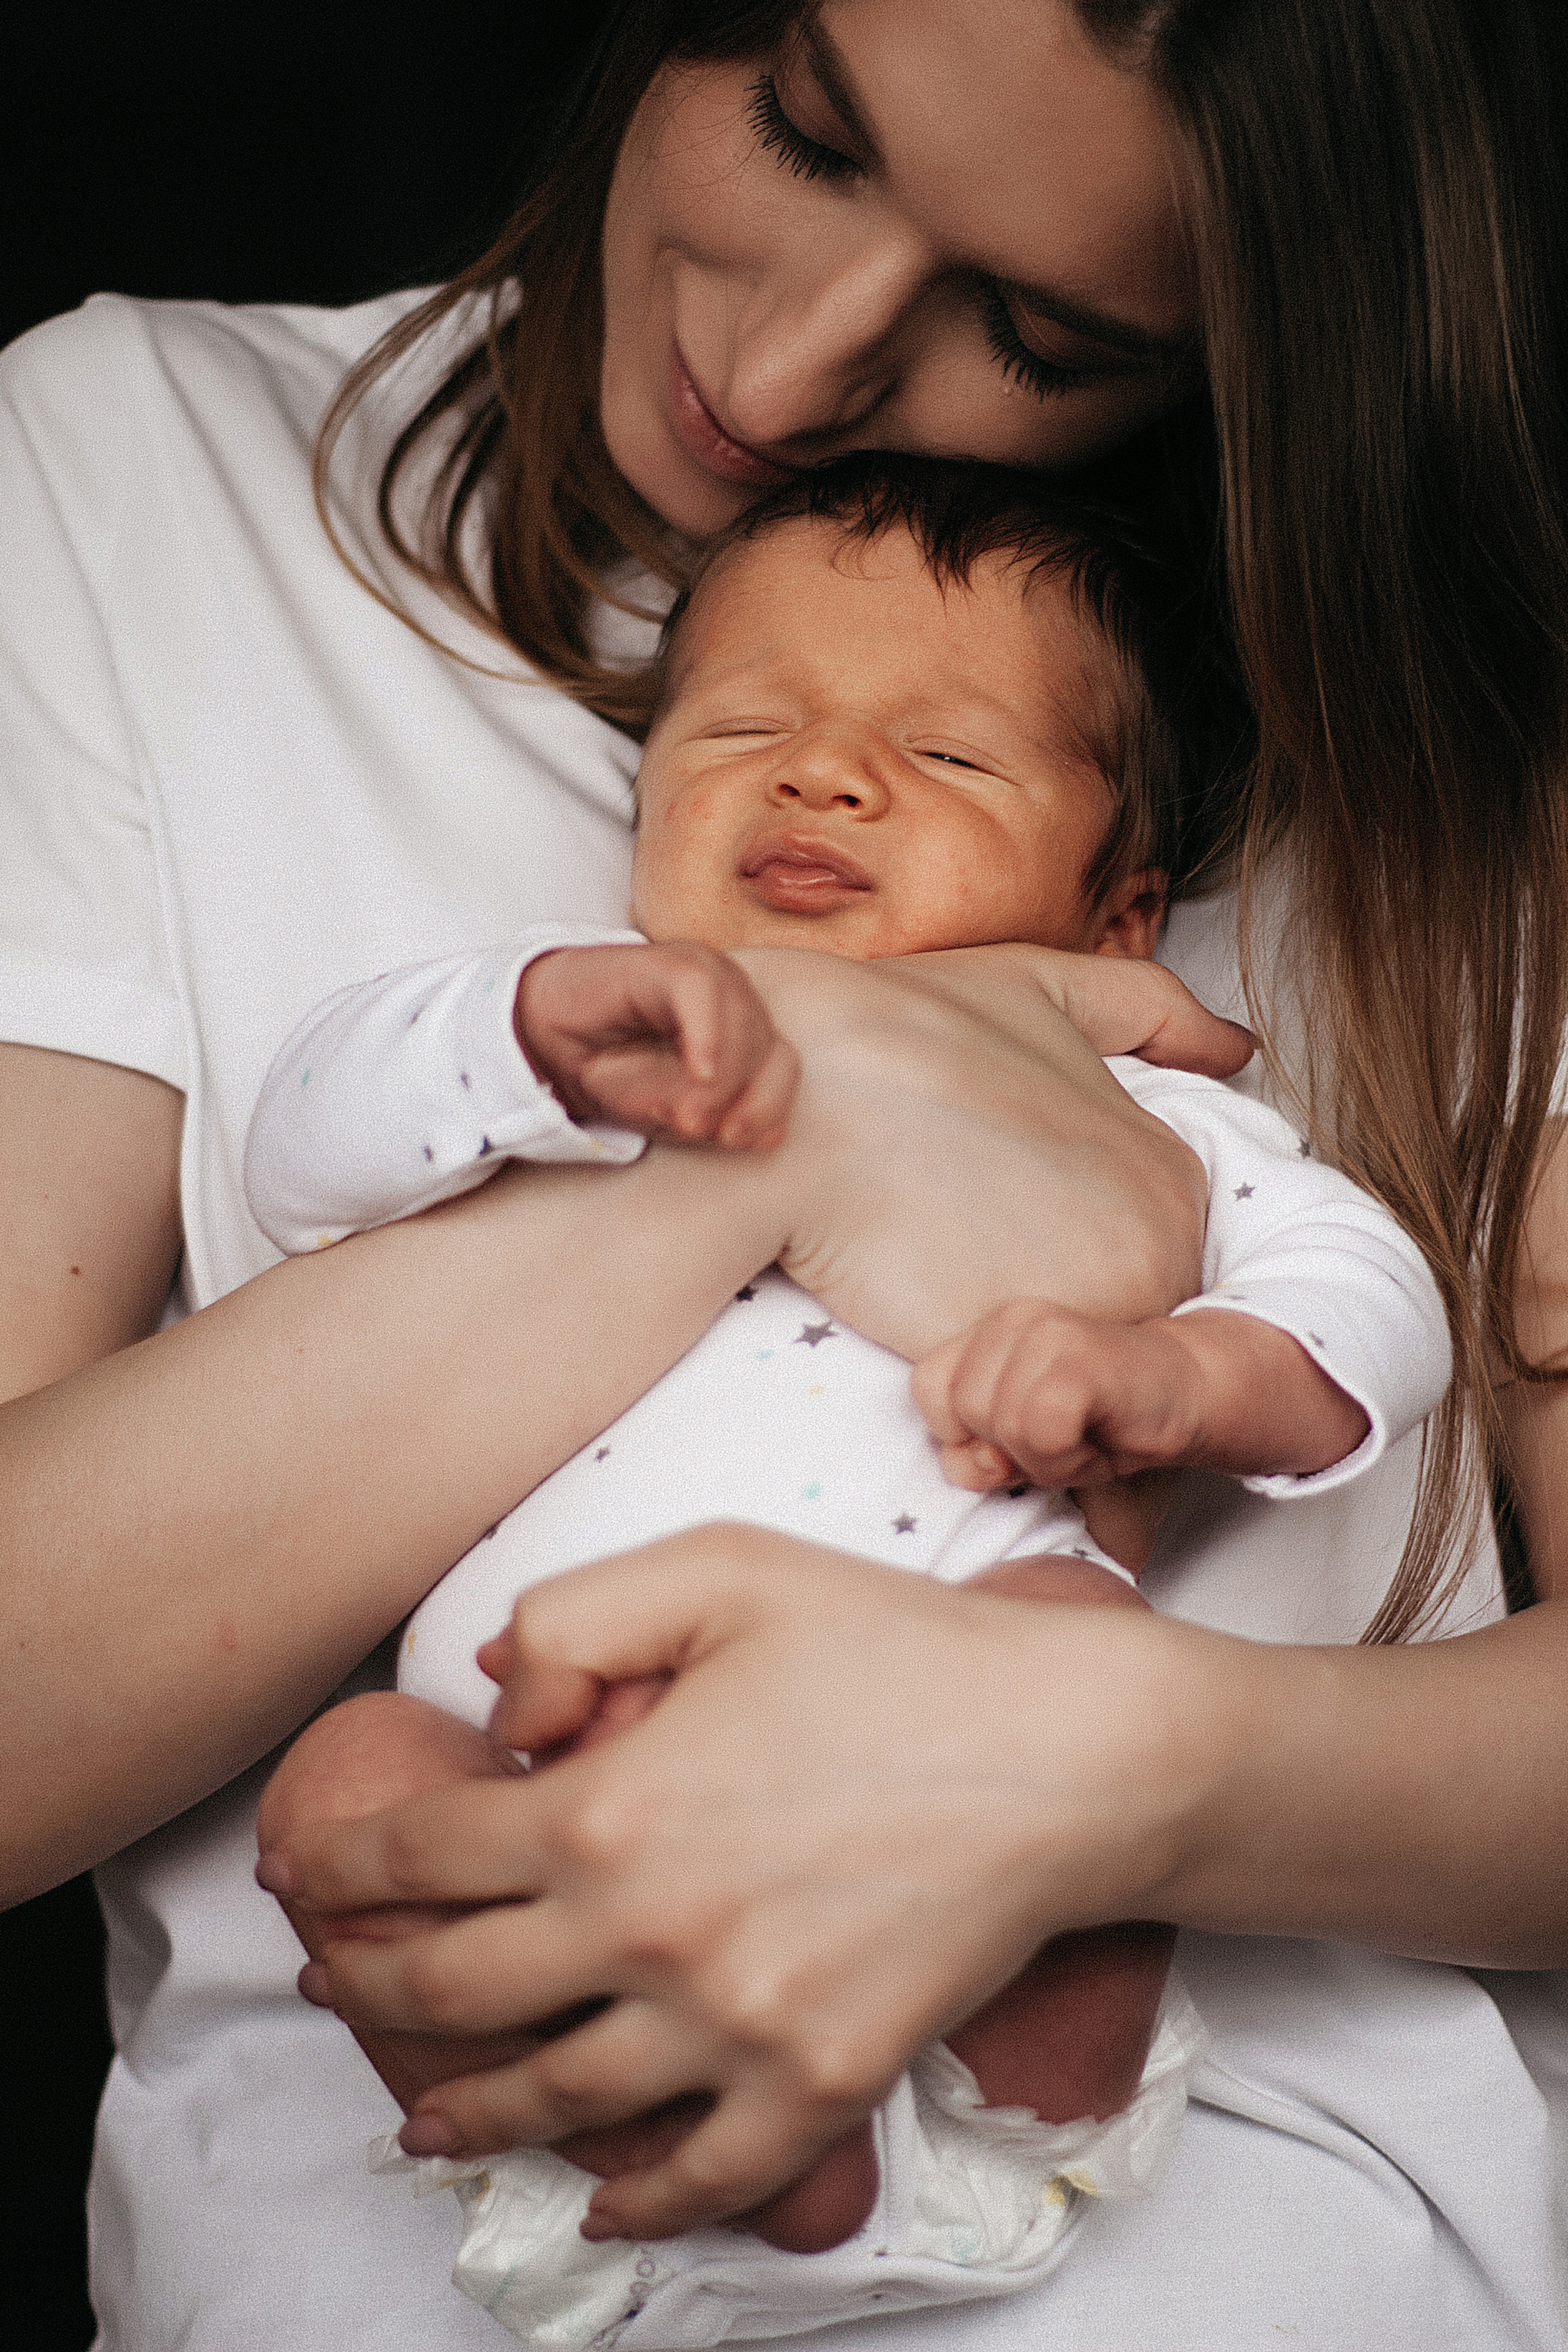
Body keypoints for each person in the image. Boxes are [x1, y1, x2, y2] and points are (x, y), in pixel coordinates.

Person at [3, 2, 1567, 2348]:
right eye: (809, 131)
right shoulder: (141, 477)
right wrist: (802, 1120)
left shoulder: (1455, 743)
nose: (799, 357)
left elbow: (1353, 1339)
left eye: (1046, 332)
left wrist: (1124, 1770)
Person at [247, 458, 1449, 2346]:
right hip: (544, 1754)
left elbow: (1366, 1298)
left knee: (1073, 1646)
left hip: (943, 1759)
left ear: (1117, 915)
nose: (822, 775)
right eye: (742, 729)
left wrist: (1175, 1374)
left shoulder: (1150, 1112)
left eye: (953, 761)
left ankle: (1020, 2078)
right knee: (339, 1793)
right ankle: (657, 2138)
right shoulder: (569, 1050)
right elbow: (304, 1144)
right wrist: (523, 1028)